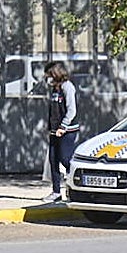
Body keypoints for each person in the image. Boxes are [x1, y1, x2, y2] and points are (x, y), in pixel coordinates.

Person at [42, 61, 80, 202]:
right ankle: (56, 192)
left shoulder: (67, 87)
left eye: (49, 74)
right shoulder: (55, 89)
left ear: (56, 73)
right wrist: (51, 127)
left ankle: (77, 185)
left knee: (65, 159)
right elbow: (53, 111)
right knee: (53, 160)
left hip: (67, 130)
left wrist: (63, 127)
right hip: (54, 130)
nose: (48, 77)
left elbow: (71, 110)